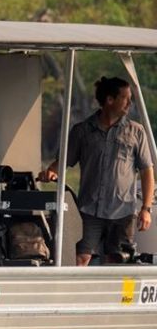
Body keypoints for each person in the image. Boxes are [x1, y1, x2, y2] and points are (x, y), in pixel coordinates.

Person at [38, 76, 154, 266]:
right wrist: (51, 171)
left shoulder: (136, 131)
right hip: (90, 211)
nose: (129, 103)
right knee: (81, 258)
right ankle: (78, 295)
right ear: (110, 100)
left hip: (123, 212)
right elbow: (63, 162)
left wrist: (146, 208)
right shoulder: (82, 131)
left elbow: (147, 172)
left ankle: (115, 297)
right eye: (125, 98)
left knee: (118, 261)